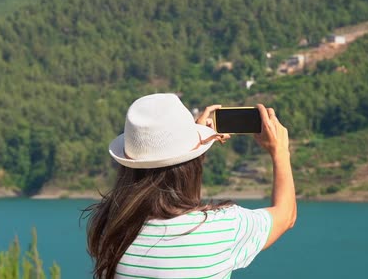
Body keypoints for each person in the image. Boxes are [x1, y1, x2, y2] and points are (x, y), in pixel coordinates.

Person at [85, 93, 296, 279]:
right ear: (192, 164)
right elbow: (286, 215)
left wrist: (192, 149)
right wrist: (280, 152)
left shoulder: (109, 225)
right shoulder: (224, 227)